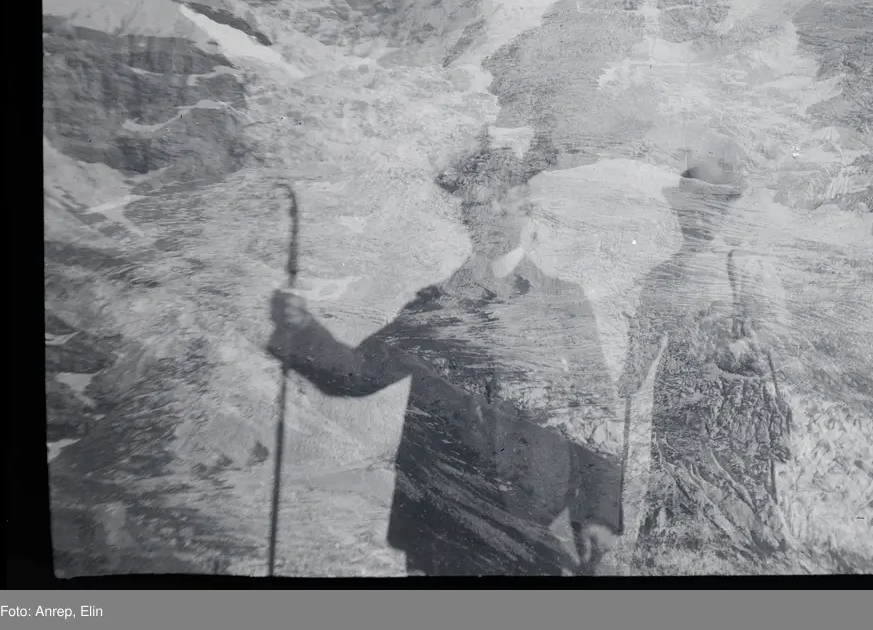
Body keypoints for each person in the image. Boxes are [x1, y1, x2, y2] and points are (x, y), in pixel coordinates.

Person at [267, 135, 623, 576]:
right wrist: (301, 329)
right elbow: (356, 374)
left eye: (504, 199)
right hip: (442, 529)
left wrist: (598, 514)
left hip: (538, 528)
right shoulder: (434, 307)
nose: (492, 212)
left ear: (525, 206)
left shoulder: (564, 303)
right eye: (478, 202)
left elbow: (596, 413)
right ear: (464, 214)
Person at [618, 158, 792, 572]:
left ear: (725, 211)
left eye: (707, 210)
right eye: (688, 211)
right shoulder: (662, 275)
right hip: (677, 400)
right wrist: (631, 375)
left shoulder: (746, 265)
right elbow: (645, 336)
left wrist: (740, 345)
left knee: (737, 494)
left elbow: (777, 332)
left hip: (735, 406)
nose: (695, 219)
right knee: (676, 489)